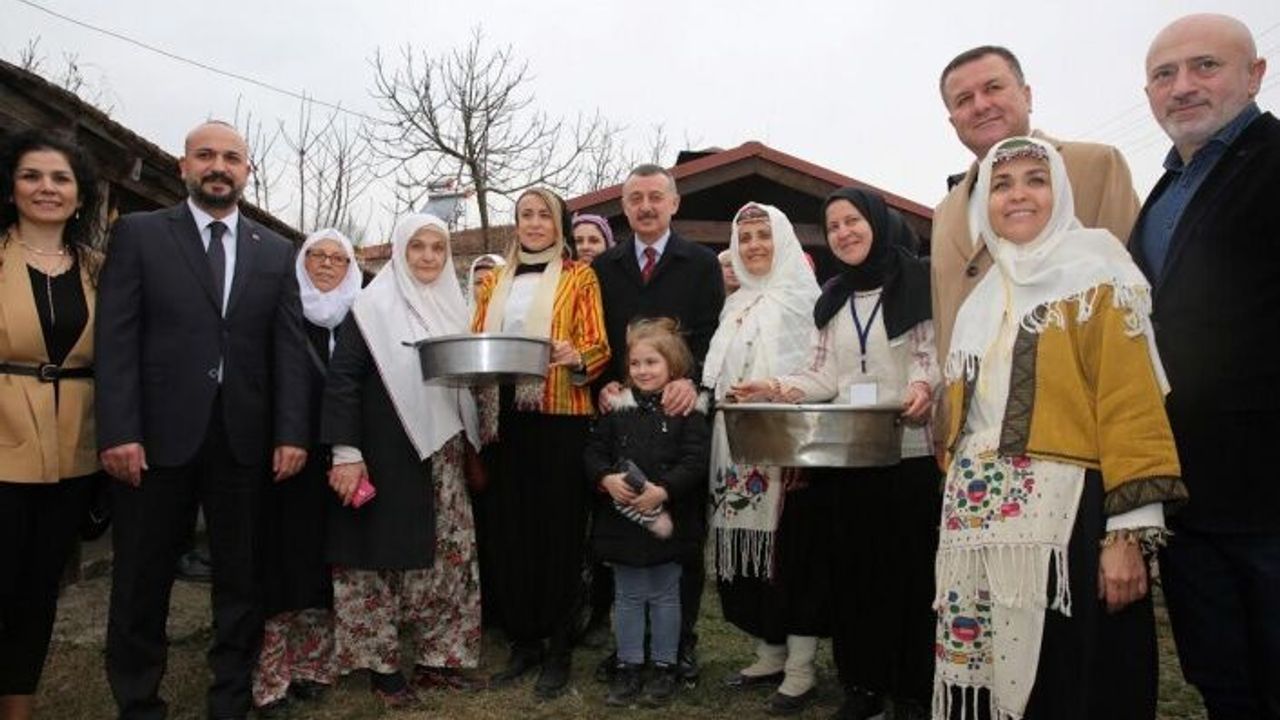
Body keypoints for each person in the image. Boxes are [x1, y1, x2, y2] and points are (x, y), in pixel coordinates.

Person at [933, 136, 1187, 720]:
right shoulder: (981, 298)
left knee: (1072, 680)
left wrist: (1126, 537)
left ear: (1062, 191)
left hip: (1069, 521)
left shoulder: (1099, 273)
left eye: (1035, 180)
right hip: (978, 520)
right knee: (987, 672)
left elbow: (1132, 407)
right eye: (1002, 184)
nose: (1017, 194)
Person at [96, 120, 310, 720]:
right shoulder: (139, 235)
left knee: (241, 580)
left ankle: (230, 699)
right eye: (206, 156)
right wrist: (118, 430)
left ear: (248, 172)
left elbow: (288, 349)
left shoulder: (277, 251)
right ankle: (138, 700)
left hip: (244, 442)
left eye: (232, 158)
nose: (220, 166)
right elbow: (116, 339)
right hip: (154, 440)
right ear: (184, 166)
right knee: (141, 578)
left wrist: (292, 432)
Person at [733, 187, 939, 720]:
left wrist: (922, 389)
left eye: (853, 221)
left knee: (911, 579)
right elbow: (822, 374)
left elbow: (928, 354)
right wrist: (773, 387)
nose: (844, 233)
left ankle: (913, 691)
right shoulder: (833, 297)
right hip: (849, 461)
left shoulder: (917, 280)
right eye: (834, 227)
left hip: (908, 454)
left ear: (875, 222)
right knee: (855, 579)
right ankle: (864, 687)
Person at [1134, 15, 1280, 718]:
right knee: (1223, 678)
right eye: (1165, 75)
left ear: (1255, 75)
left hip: (1268, 494)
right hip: (1191, 493)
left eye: (1205, 67)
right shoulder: (1165, 190)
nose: (1183, 87)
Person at [320, 213, 484, 709]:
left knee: (449, 561)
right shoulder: (370, 309)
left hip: (445, 456)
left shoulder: (456, 307)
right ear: (399, 252)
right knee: (379, 563)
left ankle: (440, 659)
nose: (429, 257)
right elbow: (343, 381)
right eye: (418, 247)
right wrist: (346, 452)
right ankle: (383, 668)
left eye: (438, 247)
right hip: (386, 454)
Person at [472, 188, 610, 699]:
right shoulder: (493, 281)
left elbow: (599, 345)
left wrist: (578, 354)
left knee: (558, 533)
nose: (533, 224)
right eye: (525, 215)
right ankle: (523, 639)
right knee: (511, 530)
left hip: (559, 417)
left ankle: (559, 646)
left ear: (559, 225)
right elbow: (475, 339)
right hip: (503, 418)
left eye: (543, 216)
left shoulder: (579, 276)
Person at [592, 164, 724, 685]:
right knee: (622, 528)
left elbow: (714, 333)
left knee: (680, 531)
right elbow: (597, 336)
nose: (645, 207)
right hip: (622, 418)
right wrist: (602, 381)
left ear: (674, 203)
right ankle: (627, 645)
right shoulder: (604, 266)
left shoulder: (700, 263)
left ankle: (679, 642)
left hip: (679, 412)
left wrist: (694, 383)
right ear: (623, 208)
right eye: (635, 199)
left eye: (655, 197)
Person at [930, 45, 1141, 367]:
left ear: (1027, 95)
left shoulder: (1094, 166)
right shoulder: (944, 213)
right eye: (964, 100)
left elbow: (1132, 292)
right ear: (952, 120)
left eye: (993, 88)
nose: (981, 105)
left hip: (1074, 402)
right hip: (968, 410)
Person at [703, 203, 825, 715]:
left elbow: (821, 375)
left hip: (788, 447)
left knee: (791, 558)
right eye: (745, 237)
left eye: (763, 235)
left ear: (783, 240)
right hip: (736, 447)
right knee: (750, 561)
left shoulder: (806, 299)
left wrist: (798, 439)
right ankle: (769, 652)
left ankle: (801, 668)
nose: (753, 245)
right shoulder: (736, 303)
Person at [0, 129, 103, 720]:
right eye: (32, 176)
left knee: (40, 592)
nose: (47, 188)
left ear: (80, 195)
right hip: (4, 437)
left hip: (71, 451)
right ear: (12, 188)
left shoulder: (96, 269)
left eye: (61, 178)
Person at [251, 229, 361, 716]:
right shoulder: (282, 308)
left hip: (339, 456)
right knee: (280, 561)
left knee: (324, 560)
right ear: (302, 260)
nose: (327, 265)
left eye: (339, 258)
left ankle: (313, 667)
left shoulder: (361, 314)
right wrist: (282, 435)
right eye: (317, 255)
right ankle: (272, 675)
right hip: (287, 451)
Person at [586, 318, 710, 709]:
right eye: (636, 363)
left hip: (669, 524)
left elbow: (695, 460)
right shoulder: (615, 409)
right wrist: (605, 480)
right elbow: (593, 452)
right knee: (627, 595)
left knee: (665, 596)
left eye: (652, 363)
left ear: (672, 366)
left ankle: (664, 665)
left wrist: (664, 489)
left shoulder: (690, 412)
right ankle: (628, 664)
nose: (642, 371)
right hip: (622, 524)